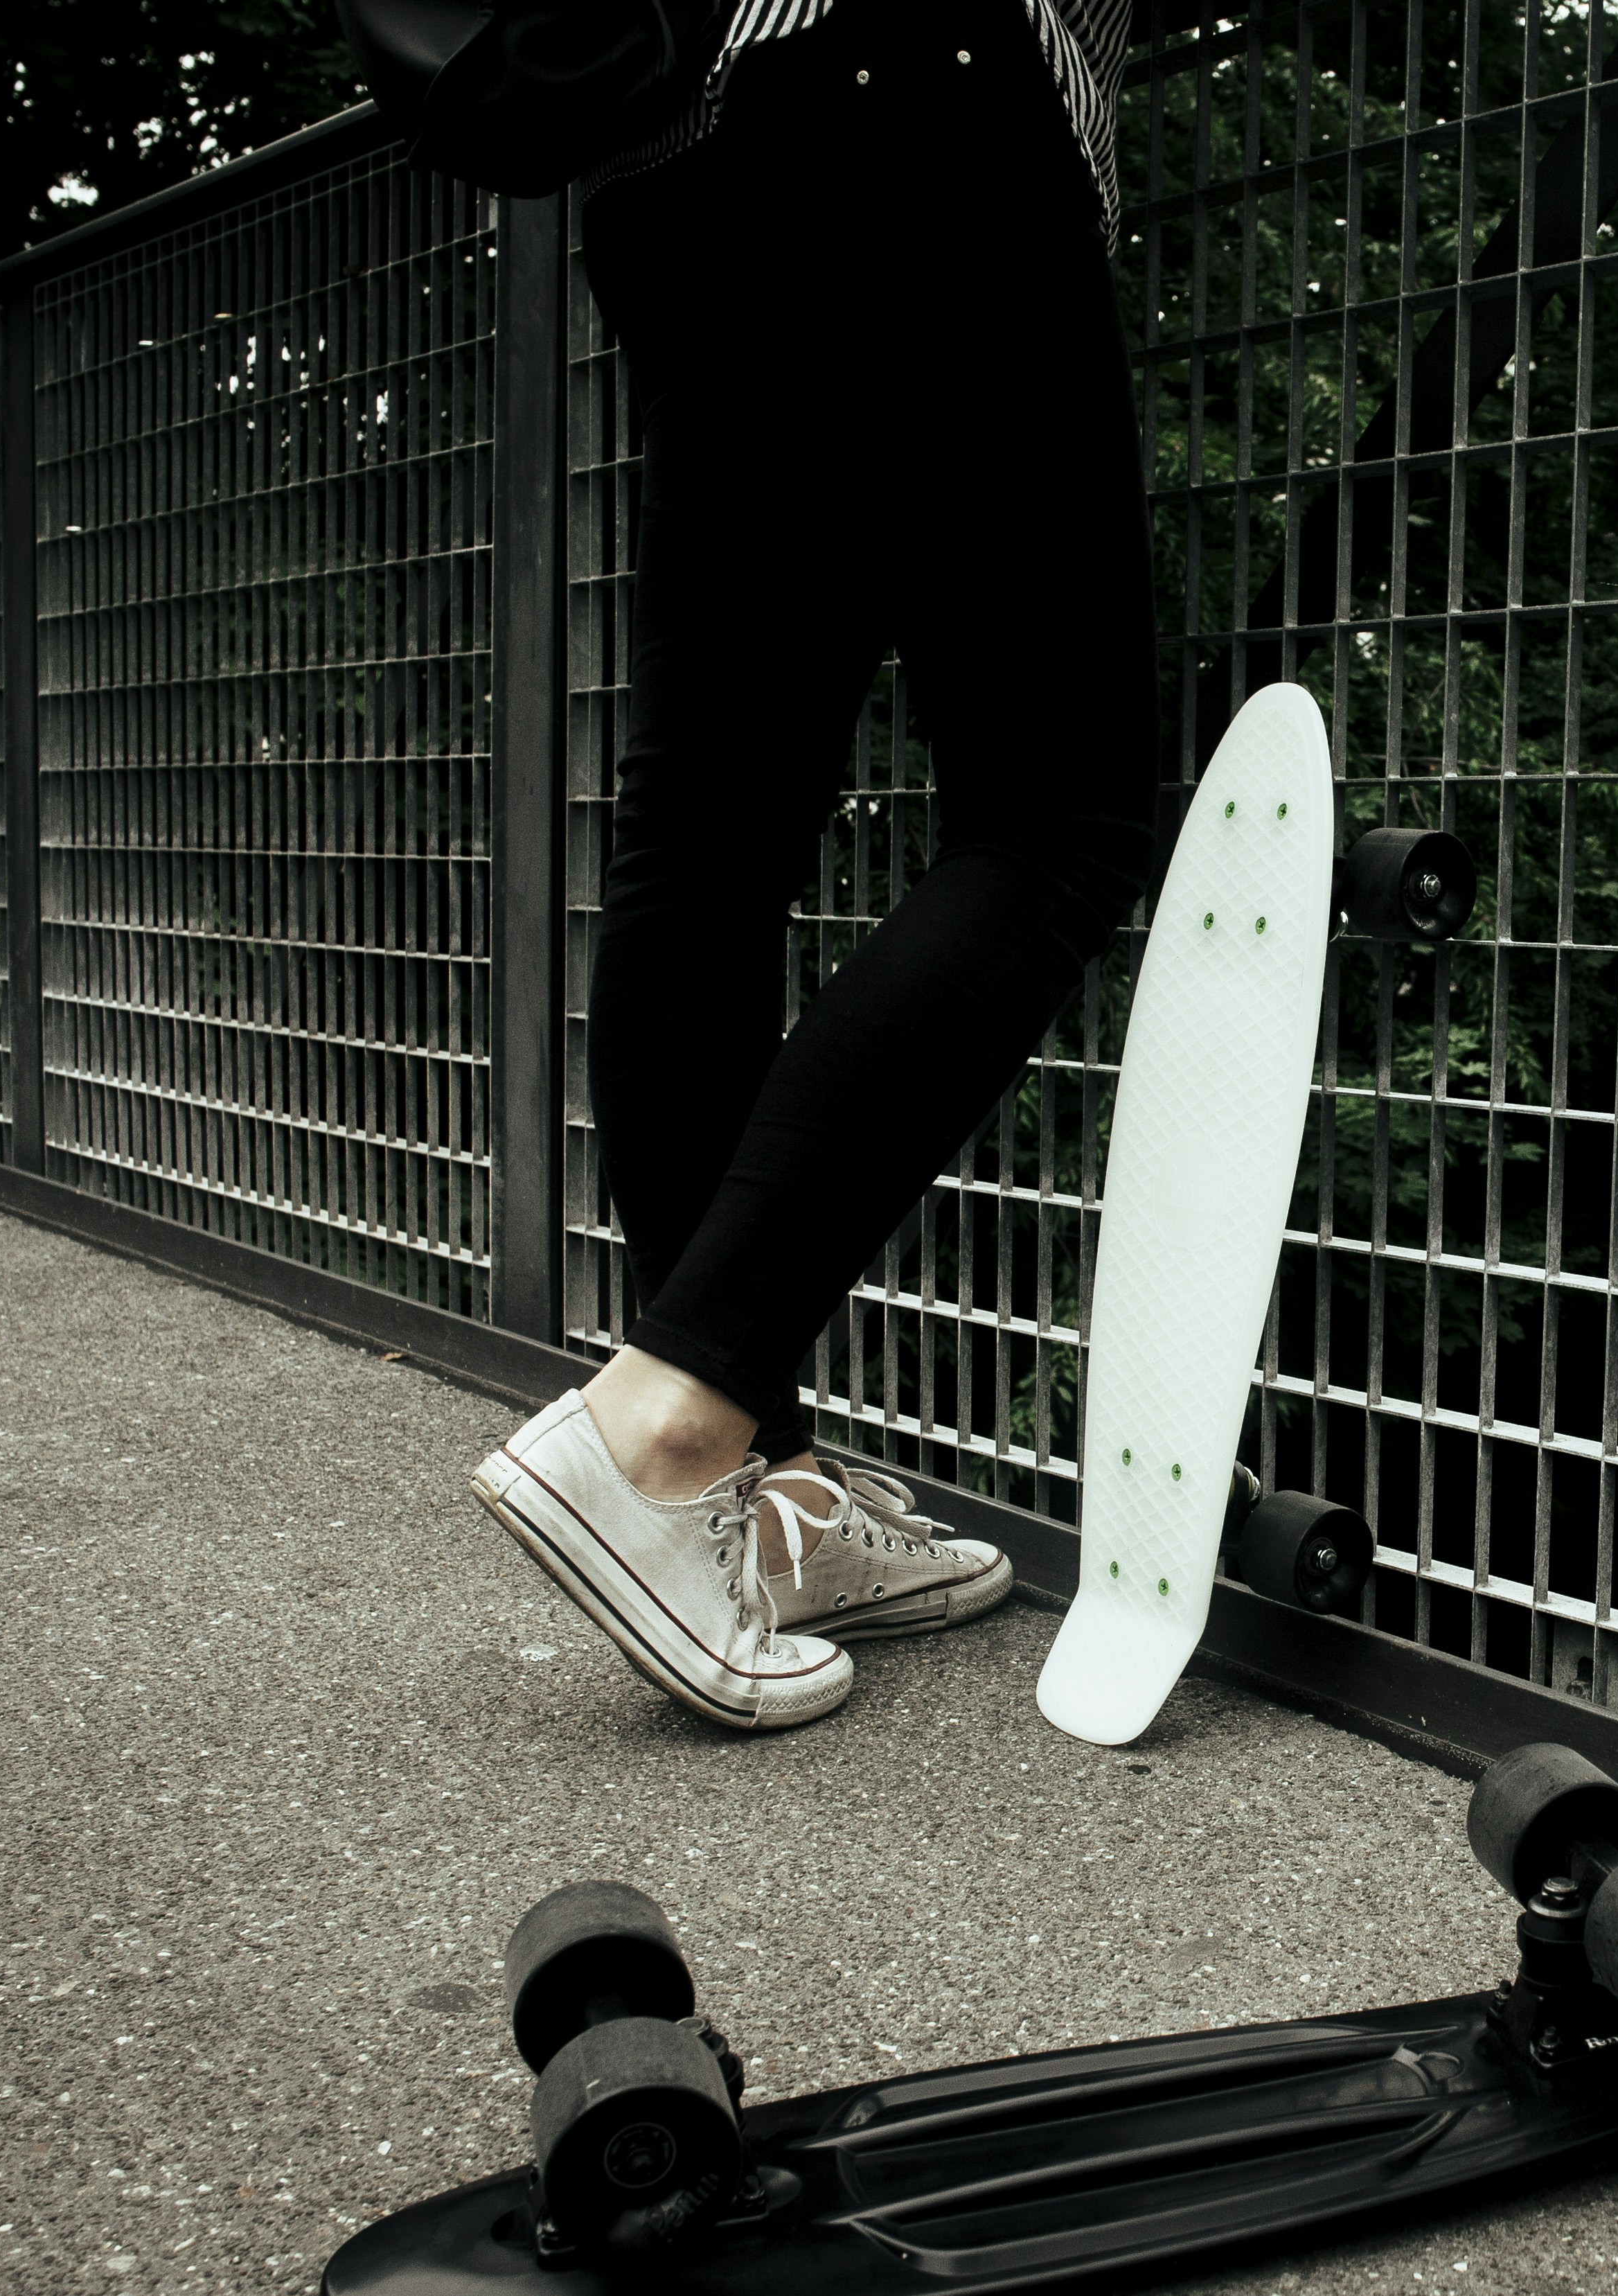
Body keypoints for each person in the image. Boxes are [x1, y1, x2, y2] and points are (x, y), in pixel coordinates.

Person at [470, 0, 1154, 1731]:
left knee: (708, 834)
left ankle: (743, 1493)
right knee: (1060, 811)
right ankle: (671, 1420)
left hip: (681, 171)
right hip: (926, 105)